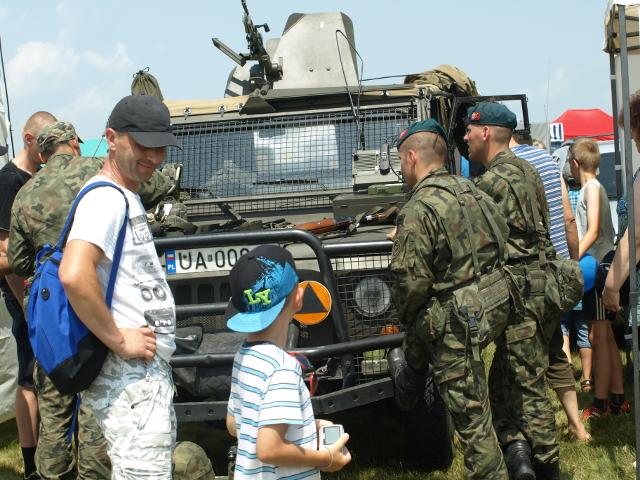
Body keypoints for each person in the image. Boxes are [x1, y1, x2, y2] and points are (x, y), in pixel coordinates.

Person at [57, 95, 181, 478]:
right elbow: (74, 273)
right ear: (111, 138)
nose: (155, 157)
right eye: (143, 145)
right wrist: (119, 339)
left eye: (161, 147)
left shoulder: (124, 195)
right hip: (130, 377)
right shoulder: (106, 200)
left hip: (140, 378)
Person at [388, 119, 511, 479]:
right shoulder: (472, 190)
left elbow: (411, 285)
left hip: (456, 325)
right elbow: (501, 238)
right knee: (484, 406)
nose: (402, 170)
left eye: (401, 161)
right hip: (491, 306)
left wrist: (408, 318)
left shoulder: (418, 209)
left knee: (473, 425)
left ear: (412, 157)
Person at [465, 102, 559, 479]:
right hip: (541, 285)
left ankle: (547, 464)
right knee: (508, 379)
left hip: (519, 292)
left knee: (526, 385)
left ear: (486, 132)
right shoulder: (528, 170)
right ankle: (519, 457)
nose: (466, 137)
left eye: (471, 130)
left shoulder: (493, 182)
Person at [225, 244, 351, 479]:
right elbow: (269, 449)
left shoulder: (243, 358)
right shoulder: (282, 368)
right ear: (298, 298)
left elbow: (234, 424)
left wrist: (307, 426)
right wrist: (326, 458)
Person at [510, 133, 590, 442]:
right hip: (555, 270)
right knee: (556, 347)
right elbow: (568, 218)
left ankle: (533, 433)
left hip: (522, 279)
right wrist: (572, 263)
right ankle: (577, 425)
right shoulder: (546, 160)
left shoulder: (501, 167)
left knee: (523, 355)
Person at [0, 110, 56, 480]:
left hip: (41, 294)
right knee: (28, 379)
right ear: (28, 139)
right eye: (45, 142)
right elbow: (5, 255)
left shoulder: (39, 177)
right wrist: (27, 304)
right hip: (23, 294)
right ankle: (32, 464)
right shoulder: (9, 182)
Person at [569, 138, 626, 419]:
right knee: (604, 337)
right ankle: (618, 398)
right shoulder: (594, 187)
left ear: (575, 164)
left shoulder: (591, 189)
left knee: (599, 337)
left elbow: (592, 230)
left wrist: (572, 259)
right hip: (598, 266)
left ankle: (601, 403)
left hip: (598, 267)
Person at [562, 161, 594, 395]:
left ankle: (566, 373)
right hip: (584, 266)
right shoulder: (586, 194)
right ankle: (587, 378)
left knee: (563, 327)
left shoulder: (561, 199)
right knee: (583, 328)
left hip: (564, 268)